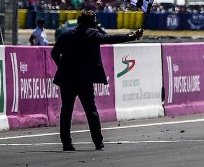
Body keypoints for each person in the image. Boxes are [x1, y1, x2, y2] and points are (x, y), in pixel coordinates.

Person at [51, 10, 143, 151]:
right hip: (84, 79)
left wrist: (63, 67)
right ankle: (98, 142)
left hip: (67, 79)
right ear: (90, 22)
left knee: (66, 111)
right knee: (91, 111)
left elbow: (54, 53)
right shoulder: (92, 34)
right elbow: (111, 38)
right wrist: (132, 36)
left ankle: (66, 143)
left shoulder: (66, 35)